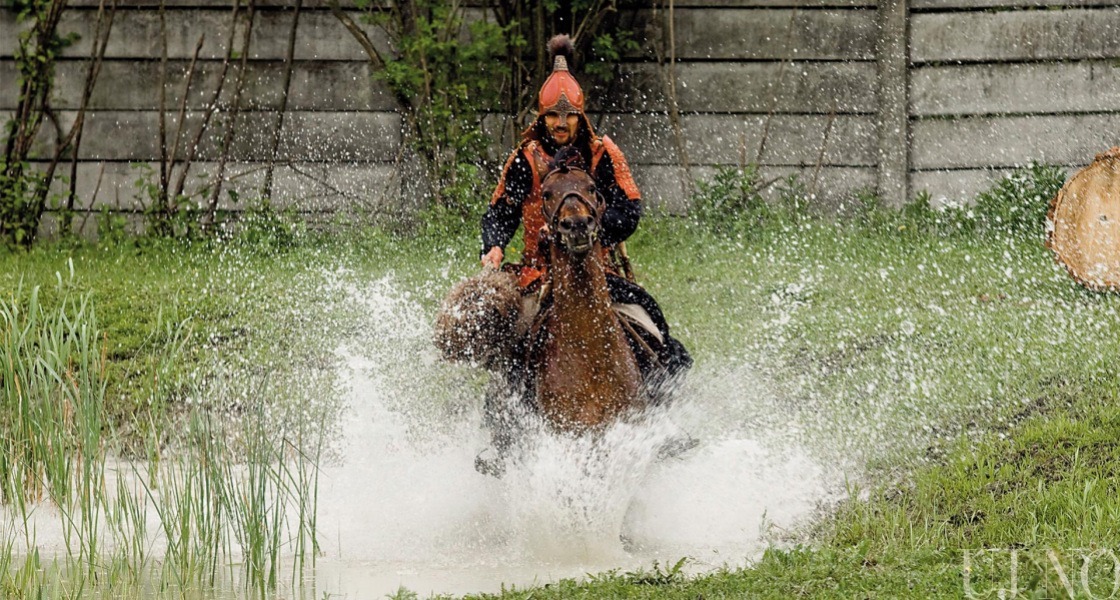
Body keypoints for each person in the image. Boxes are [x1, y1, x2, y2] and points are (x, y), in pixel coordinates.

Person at [475, 34, 692, 475]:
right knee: (513, 351)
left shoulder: (602, 153)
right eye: (553, 115)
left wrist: (593, 232)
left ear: (580, 117)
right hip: (540, 274)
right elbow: (499, 212)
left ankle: (661, 425)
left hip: (599, 268)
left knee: (656, 329)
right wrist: (494, 245)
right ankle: (508, 443)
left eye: (568, 115)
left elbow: (629, 208)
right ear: (542, 116)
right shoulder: (525, 159)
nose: (560, 122)